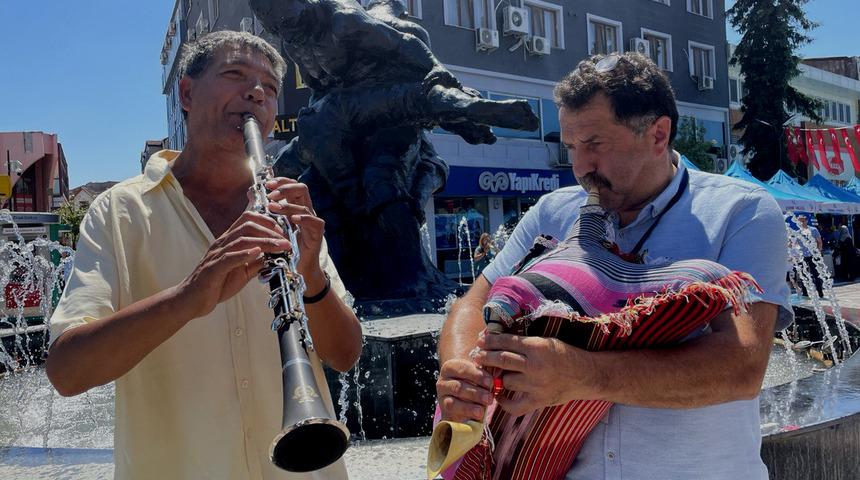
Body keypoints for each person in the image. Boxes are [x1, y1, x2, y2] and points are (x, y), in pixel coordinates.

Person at [435, 52, 792, 479]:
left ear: (659, 135)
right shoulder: (552, 212)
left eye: (595, 144)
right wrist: (461, 375)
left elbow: (741, 367)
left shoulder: (742, 211)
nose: (580, 167)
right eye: (570, 146)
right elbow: (472, 303)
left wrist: (582, 374)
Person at [45, 31, 362, 480]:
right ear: (187, 93)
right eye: (235, 75)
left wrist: (310, 274)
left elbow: (345, 355)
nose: (256, 92)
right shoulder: (119, 212)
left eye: (270, 89)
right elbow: (66, 372)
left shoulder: (289, 211)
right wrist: (187, 298)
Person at [795, 214, 824, 297]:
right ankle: (805, 294)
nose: (801, 222)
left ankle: (820, 293)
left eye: (803, 220)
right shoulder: (798, 232)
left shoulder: (813, 230)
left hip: (813, 255)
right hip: (803, 256)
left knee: (816, 275)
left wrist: (818, 252)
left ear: (806, 221)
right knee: (804, 276)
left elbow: (819, 242)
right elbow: (795, 244)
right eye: (800, 221)